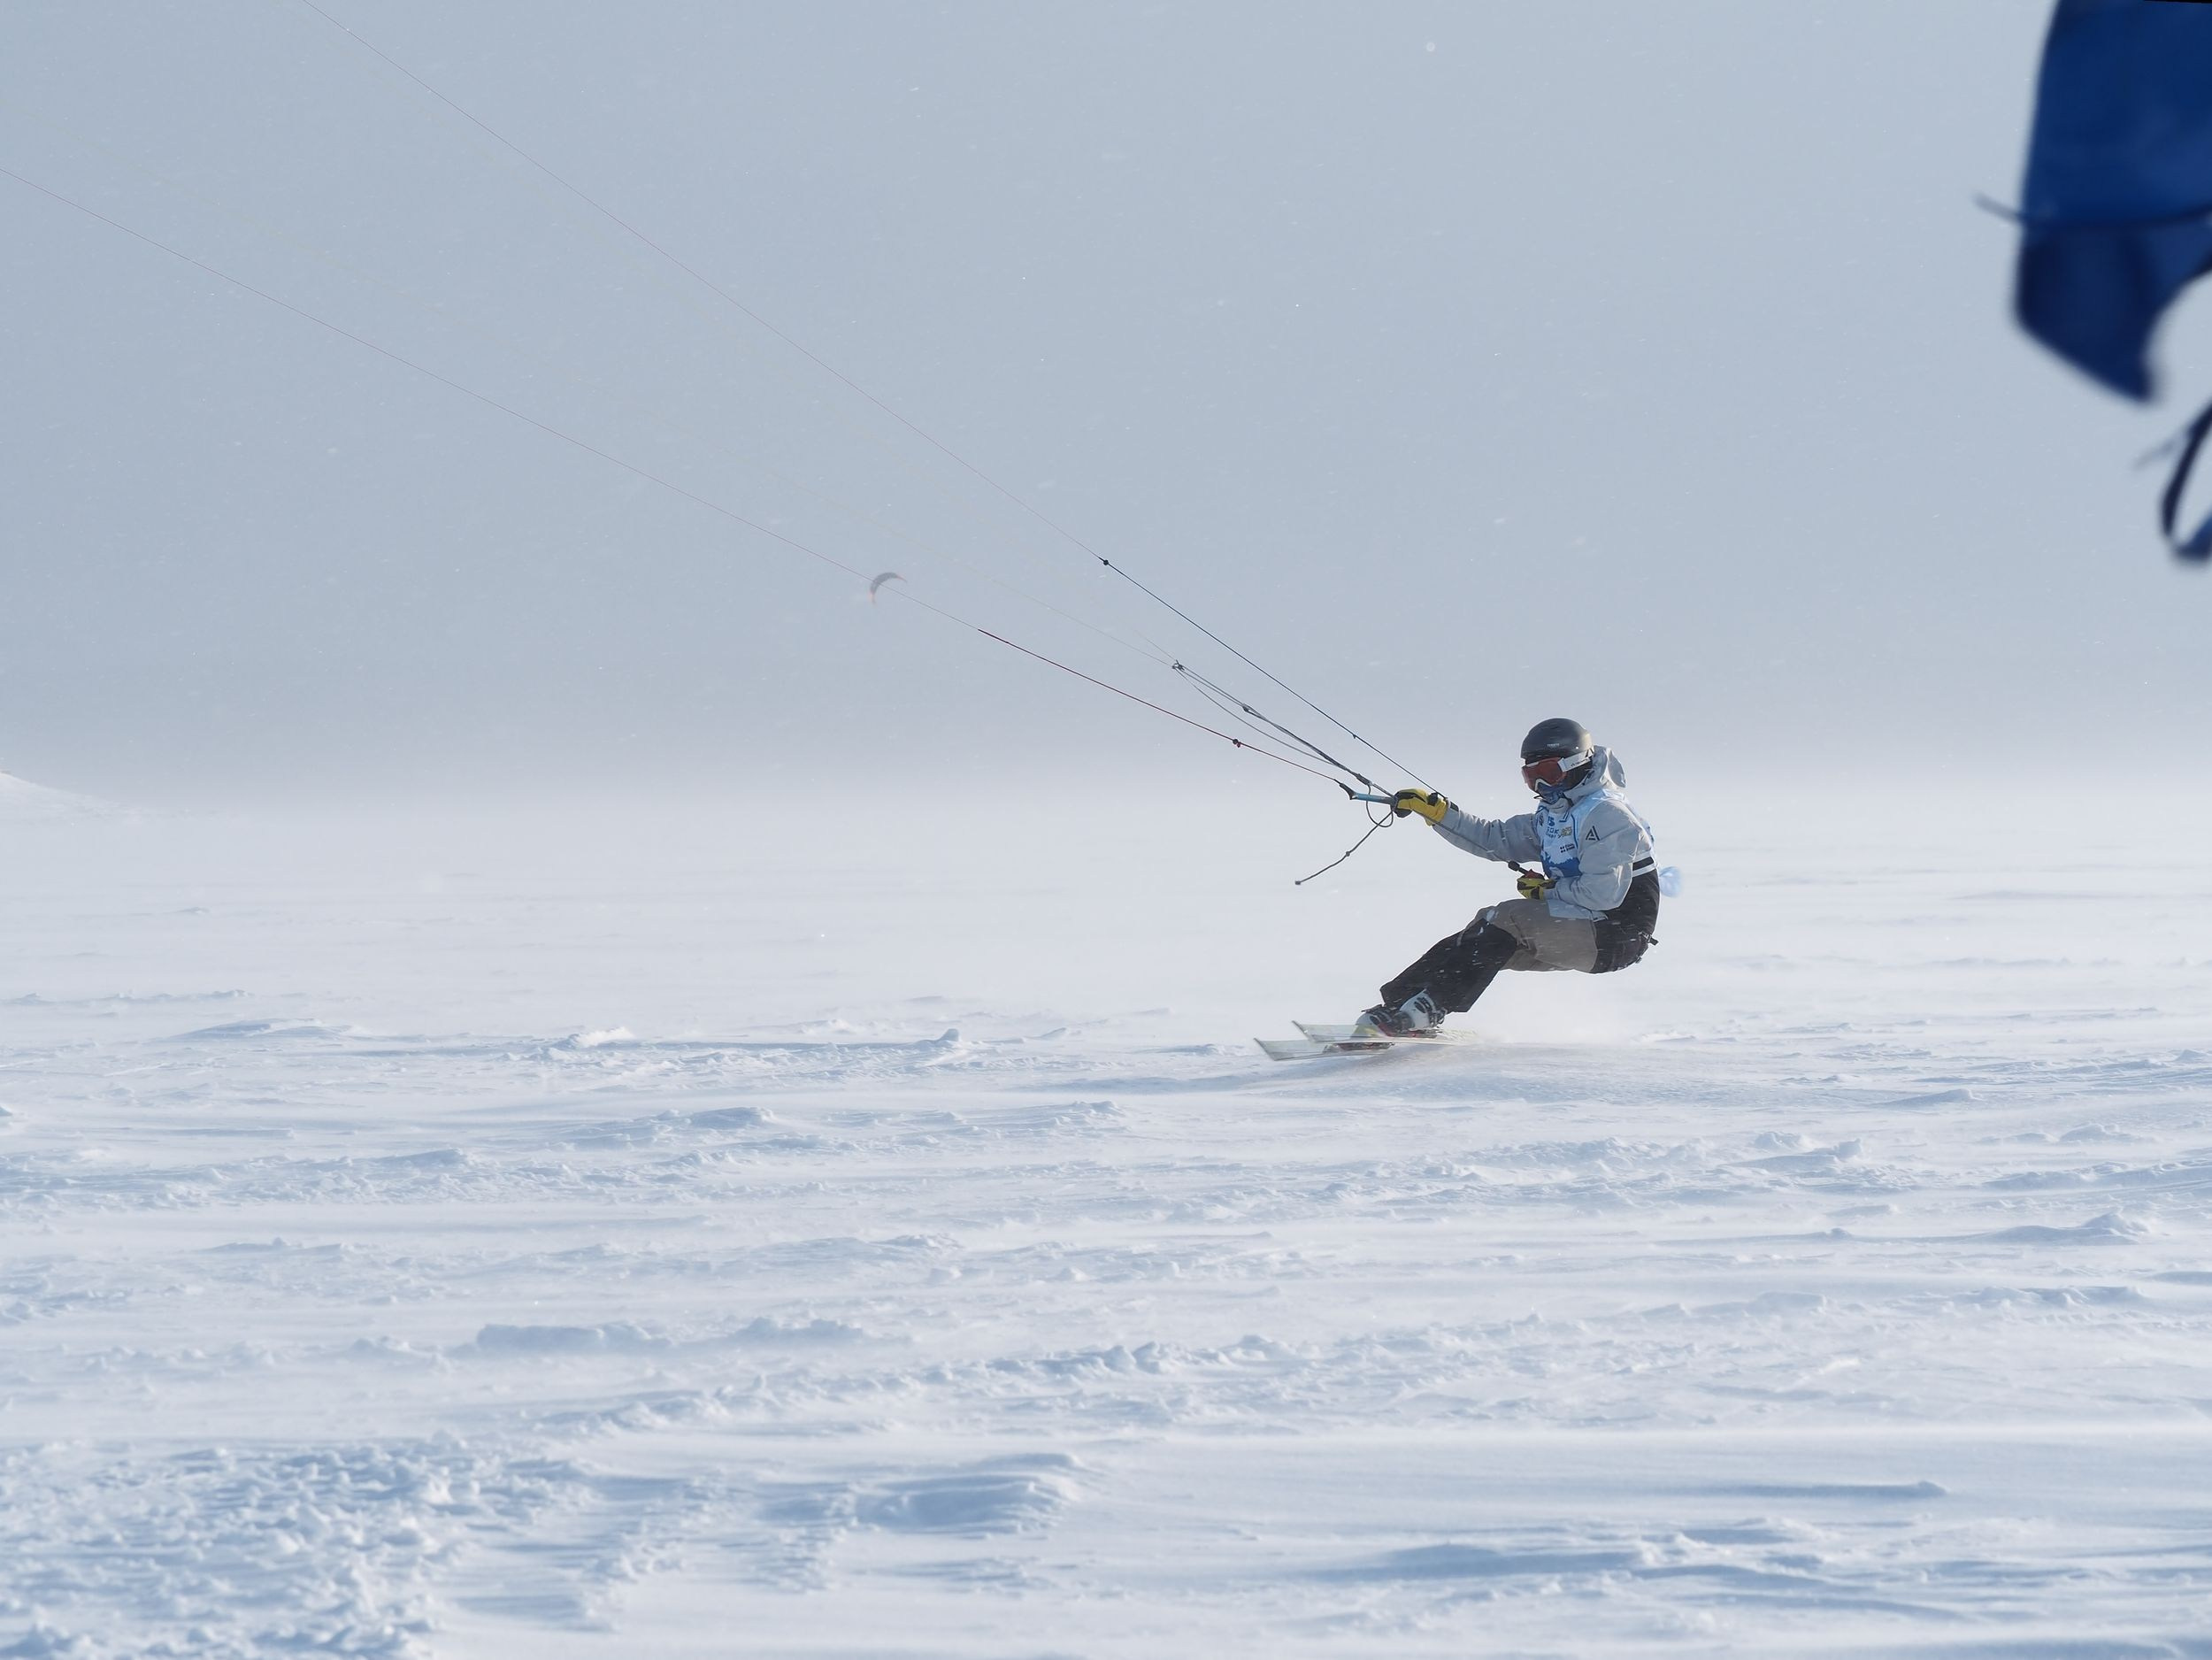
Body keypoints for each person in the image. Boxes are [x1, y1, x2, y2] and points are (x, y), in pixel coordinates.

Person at [1356, 718, 1660, 1035]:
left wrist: (1546, 891)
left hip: (1615, 935)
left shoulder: (1607, 815)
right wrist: (1440, 814)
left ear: (1577, 765)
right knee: (1483, 930)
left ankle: (1429, 1007)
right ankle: (1400, 1005)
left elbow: (1603, 895)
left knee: (1507, 918)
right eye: (1532, 778)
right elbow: (1494, 839)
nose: (1542, 787)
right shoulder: (1555, 816)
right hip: (1583, 923)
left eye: (1550, 774)